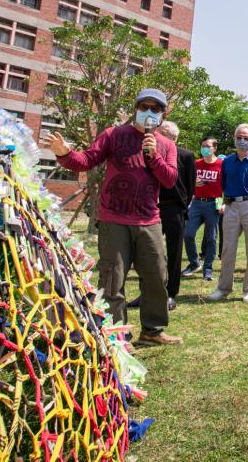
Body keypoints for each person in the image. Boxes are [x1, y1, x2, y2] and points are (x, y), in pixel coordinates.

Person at [42, 88, 181, 346]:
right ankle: (118, 335)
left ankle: (152, 330)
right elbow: (86, 160)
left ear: (163, 115)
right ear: (136, 108)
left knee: (156, 277)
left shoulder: (167, 145)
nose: (149, 112)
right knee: (112, 279)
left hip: (149, 220)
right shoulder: (114, 135)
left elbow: (170, 180)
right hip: (114, 219)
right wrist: (63, 153)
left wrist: (154, 157)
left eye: (156, 109)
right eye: (145, 106)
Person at [208, 124, 248, 303]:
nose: (242, 140)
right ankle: (223, 288)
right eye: (239, 137)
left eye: (246, 138)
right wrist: (225, 203)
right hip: (232, 206)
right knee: (228, 249)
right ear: (234, 139)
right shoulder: (227, 162)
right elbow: (223, 185)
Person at [150, 121, 195, 312]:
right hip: (151, 207)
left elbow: (190, 186)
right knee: (150, 252)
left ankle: (170, 293)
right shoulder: (150, 153)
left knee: (174, 252)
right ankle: (150, 292)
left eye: (163, 133)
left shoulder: (186, 155)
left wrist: (183, 206)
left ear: (174, 138)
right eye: (158, 132)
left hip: (174, 209)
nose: (158, 135)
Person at [182, 136, 225, 282]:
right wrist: (193, 183)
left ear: (215, 148)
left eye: (207, 146)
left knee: (211, 238)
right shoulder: (196, 163)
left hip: (214, 204)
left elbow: (226, 186)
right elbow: (187, 182)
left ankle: (208, 269)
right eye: (203, 146)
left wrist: (222, 204)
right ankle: (194, 263)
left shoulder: (221, 164)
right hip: (197, 203)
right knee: (188, 234)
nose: (204, 148)